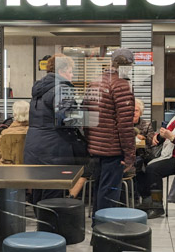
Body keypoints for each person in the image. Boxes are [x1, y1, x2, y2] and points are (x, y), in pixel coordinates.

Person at [24, 53, 88, 203]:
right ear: (62, 71)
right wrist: (90, 115)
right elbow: (66, 118)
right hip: (53, 148)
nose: (72, 75)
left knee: (38, 190)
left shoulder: (39, 90)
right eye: (71, 71)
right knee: (52, 193)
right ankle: (50, 226)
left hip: (34, 147)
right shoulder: (62, 88)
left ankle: (41, 224)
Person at [85, 48, 136, 211]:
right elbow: (125, 124)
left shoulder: (95, 82)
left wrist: (90, 142)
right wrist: (130, 155)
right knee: (108, 195)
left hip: (95, 148)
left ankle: (97, 228)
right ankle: (104, 231)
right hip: (112, 150)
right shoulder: (122, 85)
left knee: (99, 191)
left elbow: (85, 116)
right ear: (128, 66)